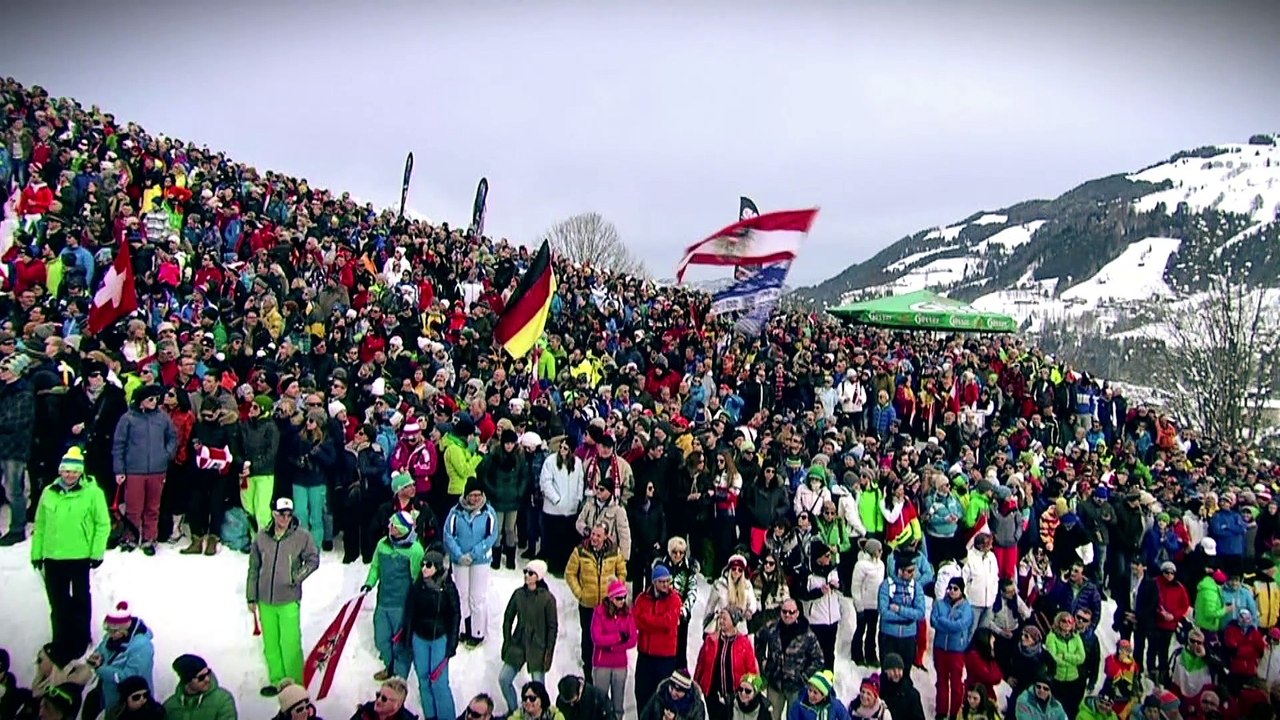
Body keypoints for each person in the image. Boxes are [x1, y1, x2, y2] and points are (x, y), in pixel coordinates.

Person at [31, 445, 110, 660]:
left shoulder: (93, 492)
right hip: (53, 557)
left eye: (74, 471)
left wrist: (96, 553)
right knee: (58, 602)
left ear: (81, 472)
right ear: (60, 471)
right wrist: (36, 553)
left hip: (80, 556)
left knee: (80, 600)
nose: (70, 475)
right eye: (66, 471)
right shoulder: (48, 492)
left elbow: (102, 524)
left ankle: (81, 639)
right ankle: (61, 639)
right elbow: (41, 525)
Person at [247, 496, 321, 697]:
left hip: (288, 599)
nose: (285, 518)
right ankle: (277, 680)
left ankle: (295, 683)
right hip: (265, 599)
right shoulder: (261, 537)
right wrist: (251, 597)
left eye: (289, 514)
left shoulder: (302, 536)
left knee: (290, 643)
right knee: (271, 643)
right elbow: (254, 568)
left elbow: (313, 560)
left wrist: (296, 577)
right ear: (274, 513)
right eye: (282, 514)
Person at [111, 384, 178, 552]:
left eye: (156, 399)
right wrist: (119, 469)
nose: (154, 402)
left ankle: (150, 538)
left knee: (153, 507)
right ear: (141, 401)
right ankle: (131, 537)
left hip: (157, 469)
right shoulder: (127, 419)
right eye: (150, 399)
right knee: (133, 507)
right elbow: (118, 445)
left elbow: (172, 437)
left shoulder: (162, 418)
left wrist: (166, 454)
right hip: (134, 470)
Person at [363, 510, 427, 681]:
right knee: (381, 639)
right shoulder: (382, 545)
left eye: (394, 526)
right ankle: (389, 665)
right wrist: (369, 582)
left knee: (401, 642)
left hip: (401, 605)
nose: (390, 528)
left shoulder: (415, 550)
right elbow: (375, 566)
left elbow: (416, 579)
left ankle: (399, 676)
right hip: (383, 601)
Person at [403, 549, 460, 720]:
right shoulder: (417, 586)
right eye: (422, 564)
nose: (424, 568)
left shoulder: (448, 587)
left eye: (428, 565)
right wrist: (407, 638)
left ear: (437, 567)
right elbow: (410, 613)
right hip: (419, 638)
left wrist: (452, 643)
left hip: (439, 638)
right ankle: (431, 716)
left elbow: (455, 615)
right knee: (423, 680)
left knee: (439, 683)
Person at [442, 479, 498, 647]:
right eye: (472, 495)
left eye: (478, 495)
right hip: (460, 561)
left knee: (477, 597)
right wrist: (459, 555)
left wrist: (475, 553)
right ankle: (462, 629)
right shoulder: (455, 512)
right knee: (461, 595)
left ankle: (477, 632)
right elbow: (448, 535)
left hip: (480, 560)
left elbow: (492, 536)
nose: (475, 499)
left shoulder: (489, 512)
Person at [566, 523, 627, 677]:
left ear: (606, 536)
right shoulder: (580, 551)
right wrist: (580, 593)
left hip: (607, 606)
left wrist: (616, 592)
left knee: (606, 636)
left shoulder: (615, 552)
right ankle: (588, 670)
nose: (594, 538)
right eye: (593, 534)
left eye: (598, 535)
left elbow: (622, 572)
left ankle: (603, 668)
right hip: (588, 604)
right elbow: (570, 573)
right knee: (588, 637)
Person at [499, 560, 559, 716]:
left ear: (539, 576)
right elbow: (508, 617)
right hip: (518, 643)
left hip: (538, 647)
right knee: (504, 679)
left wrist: (549, 651)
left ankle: (540, 715)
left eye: (531, 573)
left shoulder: (547, 599)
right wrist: (507, 640)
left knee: (538, 688)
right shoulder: (519, 594)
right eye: (525, 572)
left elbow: (552, 627)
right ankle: (514, 711)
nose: (526, 575)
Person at [84, 602, 155, 720]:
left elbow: (129, 677)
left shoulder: (143, 646)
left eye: (113, 631)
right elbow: (101, 650)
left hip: (132, 704)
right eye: (108, 630)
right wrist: (96, 656)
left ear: (124, 629)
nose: (109, 634)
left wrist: (100, 669)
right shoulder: (111, 637)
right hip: (108, 695)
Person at [694, 608, 760, 720]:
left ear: (733, 622)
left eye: (724, 618)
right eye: (720, 618)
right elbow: (700, 665)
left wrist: (752, 691)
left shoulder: (744, 643)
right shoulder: (710, 640)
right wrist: (695, 686)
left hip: (736, 696)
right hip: (712, 695)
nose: (721, 621)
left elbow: (753, 670)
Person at [634, 564, 684, 710]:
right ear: (654, 582)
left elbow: (668, 623)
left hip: (665, 657)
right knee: (642, 693)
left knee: (663, 695)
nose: (665, 585)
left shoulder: (674, 599)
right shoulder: (642, 598)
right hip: (645, 655)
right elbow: (637, 621)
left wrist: (648, 620)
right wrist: (657, 621)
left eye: (667, 581)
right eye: (662, 581)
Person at [0, 352, 36, 547]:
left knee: (13, 490)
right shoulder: (3, 389)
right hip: (3, 444)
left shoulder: (24, 392)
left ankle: (17, 528)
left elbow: (18, 420)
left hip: (15, 448)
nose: (1, 372)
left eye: (5, 369)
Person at [590, 579, 636, 716]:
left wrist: (613, 648)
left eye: (624, 597)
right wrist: (618, 638)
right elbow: (597, 638)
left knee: (618, 703)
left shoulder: (627, 614)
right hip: (602, 663)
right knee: (600, 701)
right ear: (611, 598)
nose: (622, 601)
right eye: (618, 598)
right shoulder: (599, 613)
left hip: (620, 664)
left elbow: (633, 639)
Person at [932, 576, 975, 720]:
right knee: (941, 681)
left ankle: (954, 713)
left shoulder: (966, 607)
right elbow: (933, 621)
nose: (951, 591)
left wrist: (943, 622)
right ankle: (941, 711)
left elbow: (961, 625)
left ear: (961, 590)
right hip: (940, 648)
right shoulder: (939, 604)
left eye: (955, 588)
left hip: (956, 650)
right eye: (949, 588)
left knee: (956, 684)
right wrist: (949, 624)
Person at [877, 552, 925, 670]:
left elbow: (920, 613)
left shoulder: (916, 587)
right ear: (900, 571)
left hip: (908, 637)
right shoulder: (886, 585)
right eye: (909, 571)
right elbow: (884, 612)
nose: (913, 574)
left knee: (905, 674)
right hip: (889, 636)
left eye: (913, 570)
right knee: (887, 673)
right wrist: (909, 616)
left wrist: (899, 610)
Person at [163, 655, 237, 720]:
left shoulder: (223, 699)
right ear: (187, 680)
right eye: (201, 677)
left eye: (208, 673)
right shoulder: (170, 706)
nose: (207, 679)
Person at [851, 538, 886, 666]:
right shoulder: (861, 565)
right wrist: (858, 605)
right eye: (879, 550)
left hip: (875, 604)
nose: (881, 552)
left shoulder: (881, 565)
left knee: (872, 630)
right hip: (863, 604)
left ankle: (871, 655)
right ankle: (857, 654)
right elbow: (856, 586)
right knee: (860, 629)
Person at [639, 669, 707, 720]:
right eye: (671, 688)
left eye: (678, 691)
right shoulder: (659, 696)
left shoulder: (696, 706)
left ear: (686, 692)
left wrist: (676, 718)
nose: (673, 693)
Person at [786, 670, 850, 720]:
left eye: (815, 693)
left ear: (824, 695)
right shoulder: (799, 705)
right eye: (810, 690)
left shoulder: (834, 705)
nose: (811, 695)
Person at [350, 678, 417, 720]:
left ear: (397, 705)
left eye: (384, 699)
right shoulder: (366, 711)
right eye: (378, 695)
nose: (378, 700)